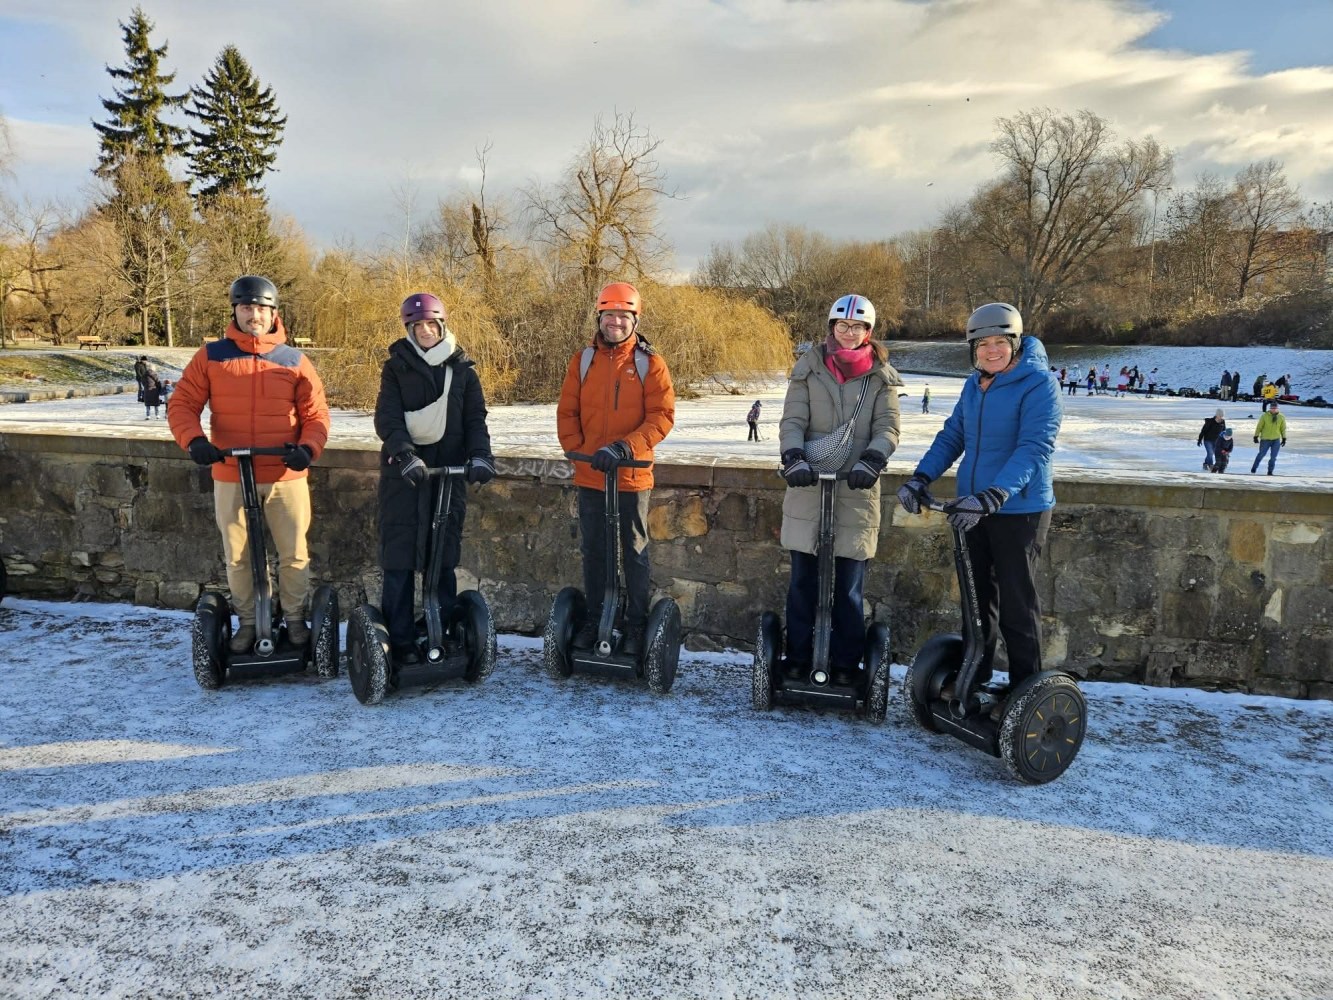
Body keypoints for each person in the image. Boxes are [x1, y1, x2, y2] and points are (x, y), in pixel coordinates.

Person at [897, 302, 1061, 695]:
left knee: (1017, 608)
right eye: (983, 344)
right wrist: (921, 477)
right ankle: (976, 676)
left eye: (1000, 342)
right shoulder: (974, 384)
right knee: (976, 601)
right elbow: (954, 435)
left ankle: (1026, 692)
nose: (991, 350)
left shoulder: (1039, 383)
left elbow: (1035, 447)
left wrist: (997, 493)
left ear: (1015, 343)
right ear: (973, 349)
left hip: (1019, 509)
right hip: (973, 508)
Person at [167, 275, 330, 652]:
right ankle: (248, 623)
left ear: (273, 313)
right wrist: (194, 441)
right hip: (230, 473)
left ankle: (293, 619)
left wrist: (307, 449)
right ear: (235, 311)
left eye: (260, 308)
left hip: (284, 473)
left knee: (293, 554)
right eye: (246, 308)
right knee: (237, 556)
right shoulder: (212, 356)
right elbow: (181, 405)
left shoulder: (294, 360)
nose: (253, 315)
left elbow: (316, 415)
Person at [779, 294, 901, 684]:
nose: (849, 333)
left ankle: (847, 663)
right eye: (842, 326)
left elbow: (888, 427)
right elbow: (792, 420)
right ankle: (798, 657)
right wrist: (794, 457)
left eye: (858, 327)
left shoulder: (881, 377)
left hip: (857, 490)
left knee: (849, 587)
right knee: (803, 581)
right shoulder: (808, 369)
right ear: (832, 328)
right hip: (809, 487)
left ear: (869, 332)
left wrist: (873, 460)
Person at [375, 293, 495, 665]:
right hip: (405, 476)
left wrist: (481, 457)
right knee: (399, 560)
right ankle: (401, 642)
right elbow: (387, 418)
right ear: (409, 329)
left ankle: (441, 631)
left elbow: (475, 420)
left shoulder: (463, 371)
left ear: (442, 326)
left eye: (431, 324)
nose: (425, 331)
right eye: (418, 326)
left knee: (441, 558)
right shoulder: (396, 368)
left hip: (448, 475)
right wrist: (404, 453)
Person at [556, 281, 676, 656]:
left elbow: (662, 417)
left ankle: (637, 623)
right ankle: (595, 618)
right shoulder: (583, 360)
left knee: (635, 550)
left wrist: (624, 447)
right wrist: (579, 450)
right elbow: (567, 412)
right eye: (610, 315)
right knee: (594, 549)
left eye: (624, 316)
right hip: (591, 474)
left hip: (631, 474)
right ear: (600, 317)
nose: (616, 323)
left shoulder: (649, 363)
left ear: (635, 319)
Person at [1250, 400, 1287, 475]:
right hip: (1265, 439)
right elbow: (1259, 426)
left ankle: (1270, 471)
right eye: (1272, 408)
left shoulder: (1281, 417)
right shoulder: (1264, 416)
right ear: (1269, 408)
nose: (1273, 409)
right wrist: (1256, 436)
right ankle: (1254, 468)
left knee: (1273, 457)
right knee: (1261, 454)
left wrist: (1284, 438)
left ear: (1277, 409)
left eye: (1275, 408)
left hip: (1276, 440)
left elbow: (1283, 428)